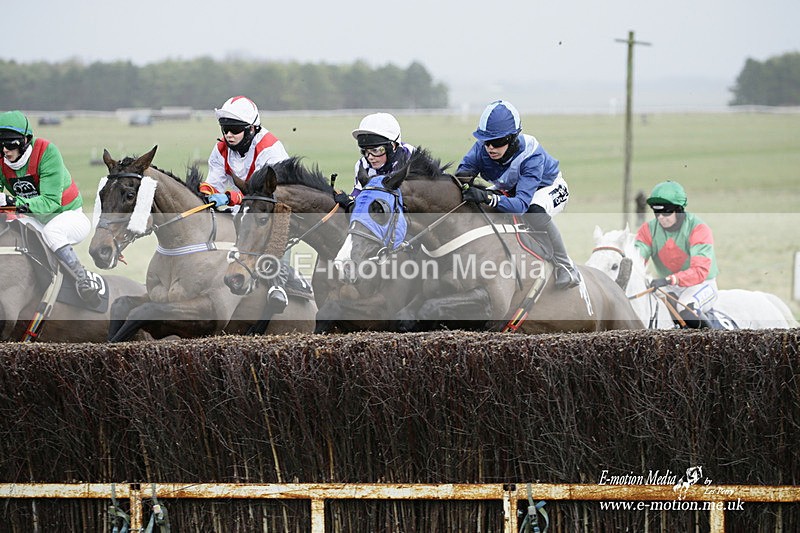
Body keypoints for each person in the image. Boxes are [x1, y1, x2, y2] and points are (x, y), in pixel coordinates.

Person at [456, 100, 580, 289]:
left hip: (547, 189)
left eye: (497, 142)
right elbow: (461, 178)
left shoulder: (531, 155)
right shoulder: (480, 150)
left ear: (513, 138)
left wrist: (488, 196)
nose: (490, 148)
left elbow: (521, 205)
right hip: (513, 190)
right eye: (486, 141)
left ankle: (566, 265)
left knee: (534, 211)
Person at [198, 96, 291, 311]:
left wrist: (231, 197)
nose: (228, 135)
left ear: (251, 129)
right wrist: (206, 194)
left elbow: (269, 196)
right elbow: (214, 183)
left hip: (272, 210)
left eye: (234, 129)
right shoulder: (221, 148)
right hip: (241, 211)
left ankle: (278, 285)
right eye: (225, 129)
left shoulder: (270, 149)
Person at [0, 110, 101, 305]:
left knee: (52, 232)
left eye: (10, 143)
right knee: (13, 233)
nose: (4, 150)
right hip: (33, 219)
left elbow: (50, 203)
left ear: (25, 141)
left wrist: (12, 203)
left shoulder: (47, 152)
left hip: (68, 216)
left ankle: (83, 280)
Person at [634, 180, 720, 328]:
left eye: (666, 211)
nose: (660, 217)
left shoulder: (699, 229)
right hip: (670, 286)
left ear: (679, 209)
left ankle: (714, 345)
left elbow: (700, 271)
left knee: (686, 310)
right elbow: (636, 259)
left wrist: (669, 279)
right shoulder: (648, 230)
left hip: (701, 284)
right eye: (656, 212)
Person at [334, 112, 415, 211]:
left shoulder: (411, 157)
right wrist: (349, 202)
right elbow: (359, 194)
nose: (370, 157)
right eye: (366, 151)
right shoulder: (363, 165)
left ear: (393, 146)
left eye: (376, 151)